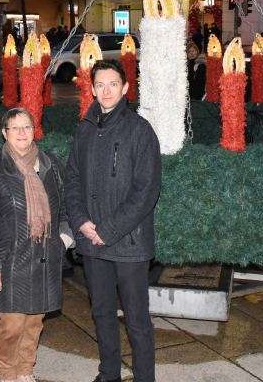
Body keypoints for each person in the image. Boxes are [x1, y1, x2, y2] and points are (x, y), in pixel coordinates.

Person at [64, 59, 161, 382]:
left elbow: (146, 190)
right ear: (91, 89)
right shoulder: (84, 128)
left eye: (113, 84)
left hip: (128, 243)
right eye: (100, 85)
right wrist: (81, 221)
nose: (106, 91)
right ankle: (109, 374)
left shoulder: (139, 130)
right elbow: (73, 179)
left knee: (136, 319)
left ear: (125, 88)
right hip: (92, 242)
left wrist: (109, 229)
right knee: (102, 312)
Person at [0, 107, 73, 382]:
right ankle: (7, 372)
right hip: (10, 261)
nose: (21, 133)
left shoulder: (51, 166)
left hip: (44, 257)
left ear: (34, 130)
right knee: (13, 323)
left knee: (34, 321)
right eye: (15, 128)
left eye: (27, 127)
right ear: (4, 133)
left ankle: (26, 369)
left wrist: (63, 240)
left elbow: (67, 207)